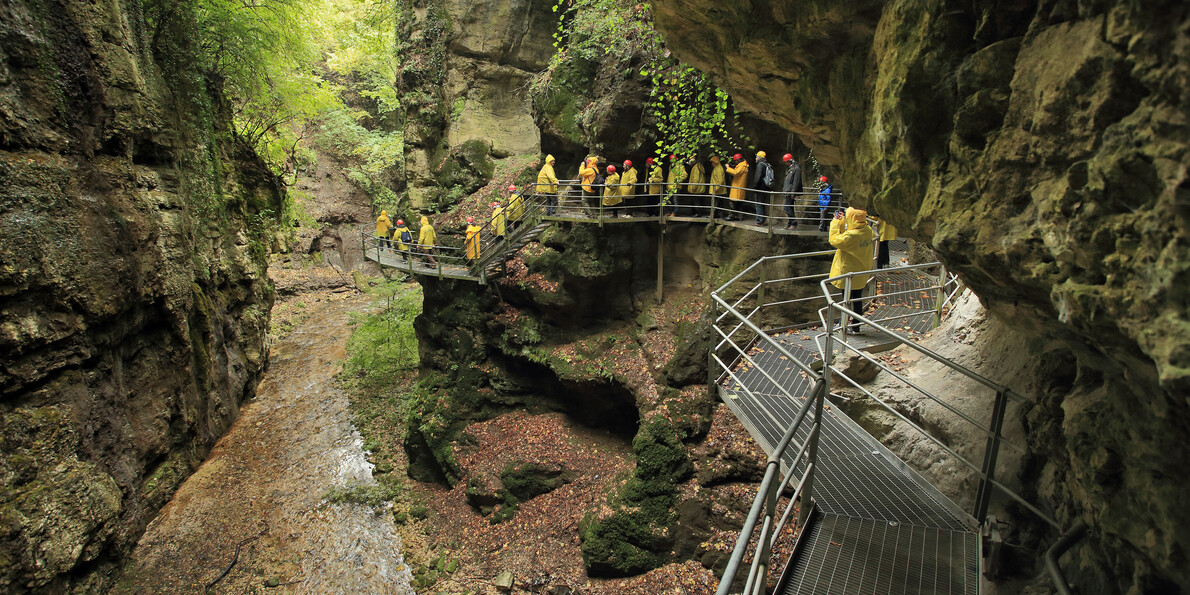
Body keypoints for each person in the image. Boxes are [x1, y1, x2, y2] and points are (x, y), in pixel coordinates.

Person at [829, 207, 877, 333]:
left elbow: (834, 240)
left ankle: (842, 324)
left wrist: (835, 223)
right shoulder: (867, 230)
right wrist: (843, 222)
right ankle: (856, 325)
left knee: (846, 300)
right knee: (857, 299)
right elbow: (851, 229)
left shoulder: (851, 236)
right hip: (861, 271)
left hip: (848, 272)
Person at [751, 151, 774, 225]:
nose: (756, 158)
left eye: (757, 157)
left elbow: (758, 177)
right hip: (765, 187)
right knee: (762, 204)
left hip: (760, 187)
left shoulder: (760, 165)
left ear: (759, 157)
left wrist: (754, 186)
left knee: (758, 204)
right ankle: (763, 220)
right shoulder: (766, 164)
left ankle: (760, 221)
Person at [781, 153, 803, 229]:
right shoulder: (790, 168)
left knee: (786, 207)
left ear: (789, 161)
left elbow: (796, 181)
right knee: (790, 207)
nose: (785, 163)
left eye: (786, 161)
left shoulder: (796, 169)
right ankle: (790, 223)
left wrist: (793, 193)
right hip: (788, 191)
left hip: (790, 191)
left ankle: (794, 222)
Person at [725, 153, 749, 221]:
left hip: (737, 187)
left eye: (735, 161)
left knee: (733, 202)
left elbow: (735, 172)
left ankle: (732, 216)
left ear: (737, 160)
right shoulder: (742, 165)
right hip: (738, 187)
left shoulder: (742, 166)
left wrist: (728, 168)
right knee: (738, 203)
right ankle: (738, 216)